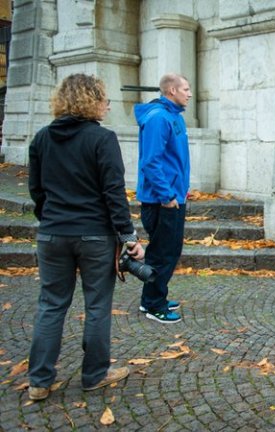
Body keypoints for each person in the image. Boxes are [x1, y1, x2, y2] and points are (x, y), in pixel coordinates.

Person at [27, 74, 145, 400]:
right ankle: (94, 375)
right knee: (97, 306)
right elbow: (114, 194)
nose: (107, 105)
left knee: (51, 306)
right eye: (104, 99)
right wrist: (129, 237)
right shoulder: (102, 139)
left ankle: (39, 381)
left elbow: (36, 190)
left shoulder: (41, 138)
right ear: (90, 100)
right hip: (95, 236)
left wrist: (50, 219)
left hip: (52, 233)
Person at [135, 73, 192, 323]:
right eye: (186, 89)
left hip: (172, 196)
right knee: (162, 253)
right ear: (171, 91)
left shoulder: (172, 116)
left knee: (168, 250)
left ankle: (154, 297)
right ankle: (153, 305)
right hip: (162, 200)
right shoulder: (159, 118)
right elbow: (151, 162)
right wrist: (167, 195)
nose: (189, 93)